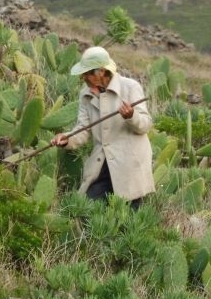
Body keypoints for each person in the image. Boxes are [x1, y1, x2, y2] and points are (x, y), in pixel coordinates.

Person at [50, 46, 154, 209]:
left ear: (101, 72)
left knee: (126, 218)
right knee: (87, 207)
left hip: (129, 164)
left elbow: (145, 125)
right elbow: (83, 129)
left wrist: (131, 116)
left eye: (87, 73)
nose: (84, 77)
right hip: (102, 163)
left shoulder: (130, 88)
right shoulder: (85, 95)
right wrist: (66, 139)